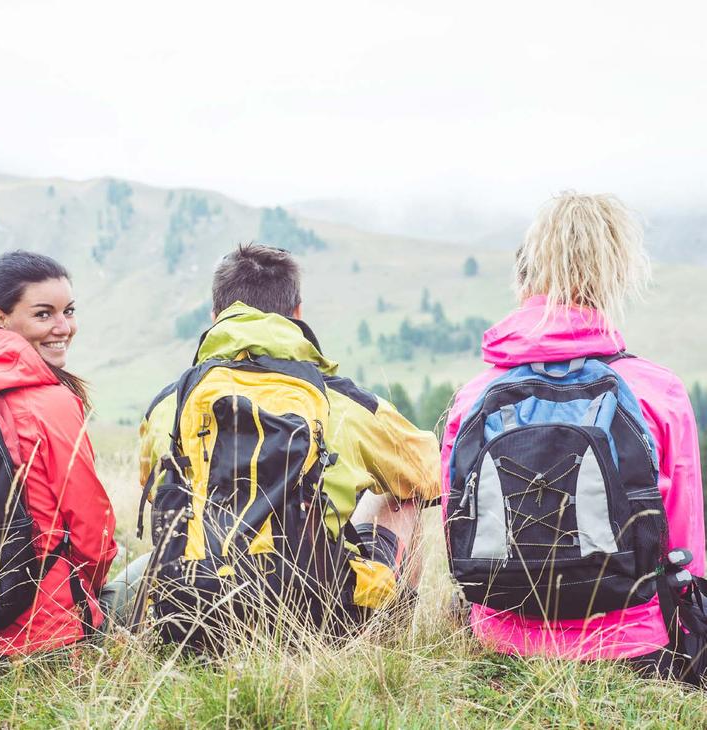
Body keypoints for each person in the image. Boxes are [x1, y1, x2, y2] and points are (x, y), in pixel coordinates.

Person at [441, 192, 705, 678]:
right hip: (633, 644)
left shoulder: (473, 398)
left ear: (525, 282)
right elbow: (686, 542)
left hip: (503, 641)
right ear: (613, 278)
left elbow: (455, 526)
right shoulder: (657, 391)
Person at [136, 244, 441, 644]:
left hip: (190, 620)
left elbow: (153, 489)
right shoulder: (343, 402)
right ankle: (385, 642)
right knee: (403, 499)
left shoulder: (167, 406)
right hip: (320, 621)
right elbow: (432, 476)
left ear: (216, 318)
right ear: (297, 315)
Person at [0, 250, 118, 656]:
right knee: (145, 572)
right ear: (1, 318)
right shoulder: (51, 403)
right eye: (44, 314)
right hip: (43, 634)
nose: (64, 327)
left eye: (69, 311)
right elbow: (94, 533)